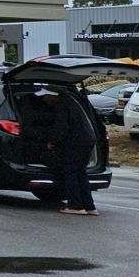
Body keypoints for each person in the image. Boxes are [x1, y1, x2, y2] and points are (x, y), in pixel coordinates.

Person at [54, 87, 100, 216]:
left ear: (53, 95)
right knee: (81, 172)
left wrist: (52, 142)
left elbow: (61, 128)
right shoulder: (75, 100)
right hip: (89, 139)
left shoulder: (63, 105)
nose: (44, 100)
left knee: (71, 171)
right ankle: (89, 206)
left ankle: (75, 205)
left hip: (77, 141)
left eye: (45, 96)